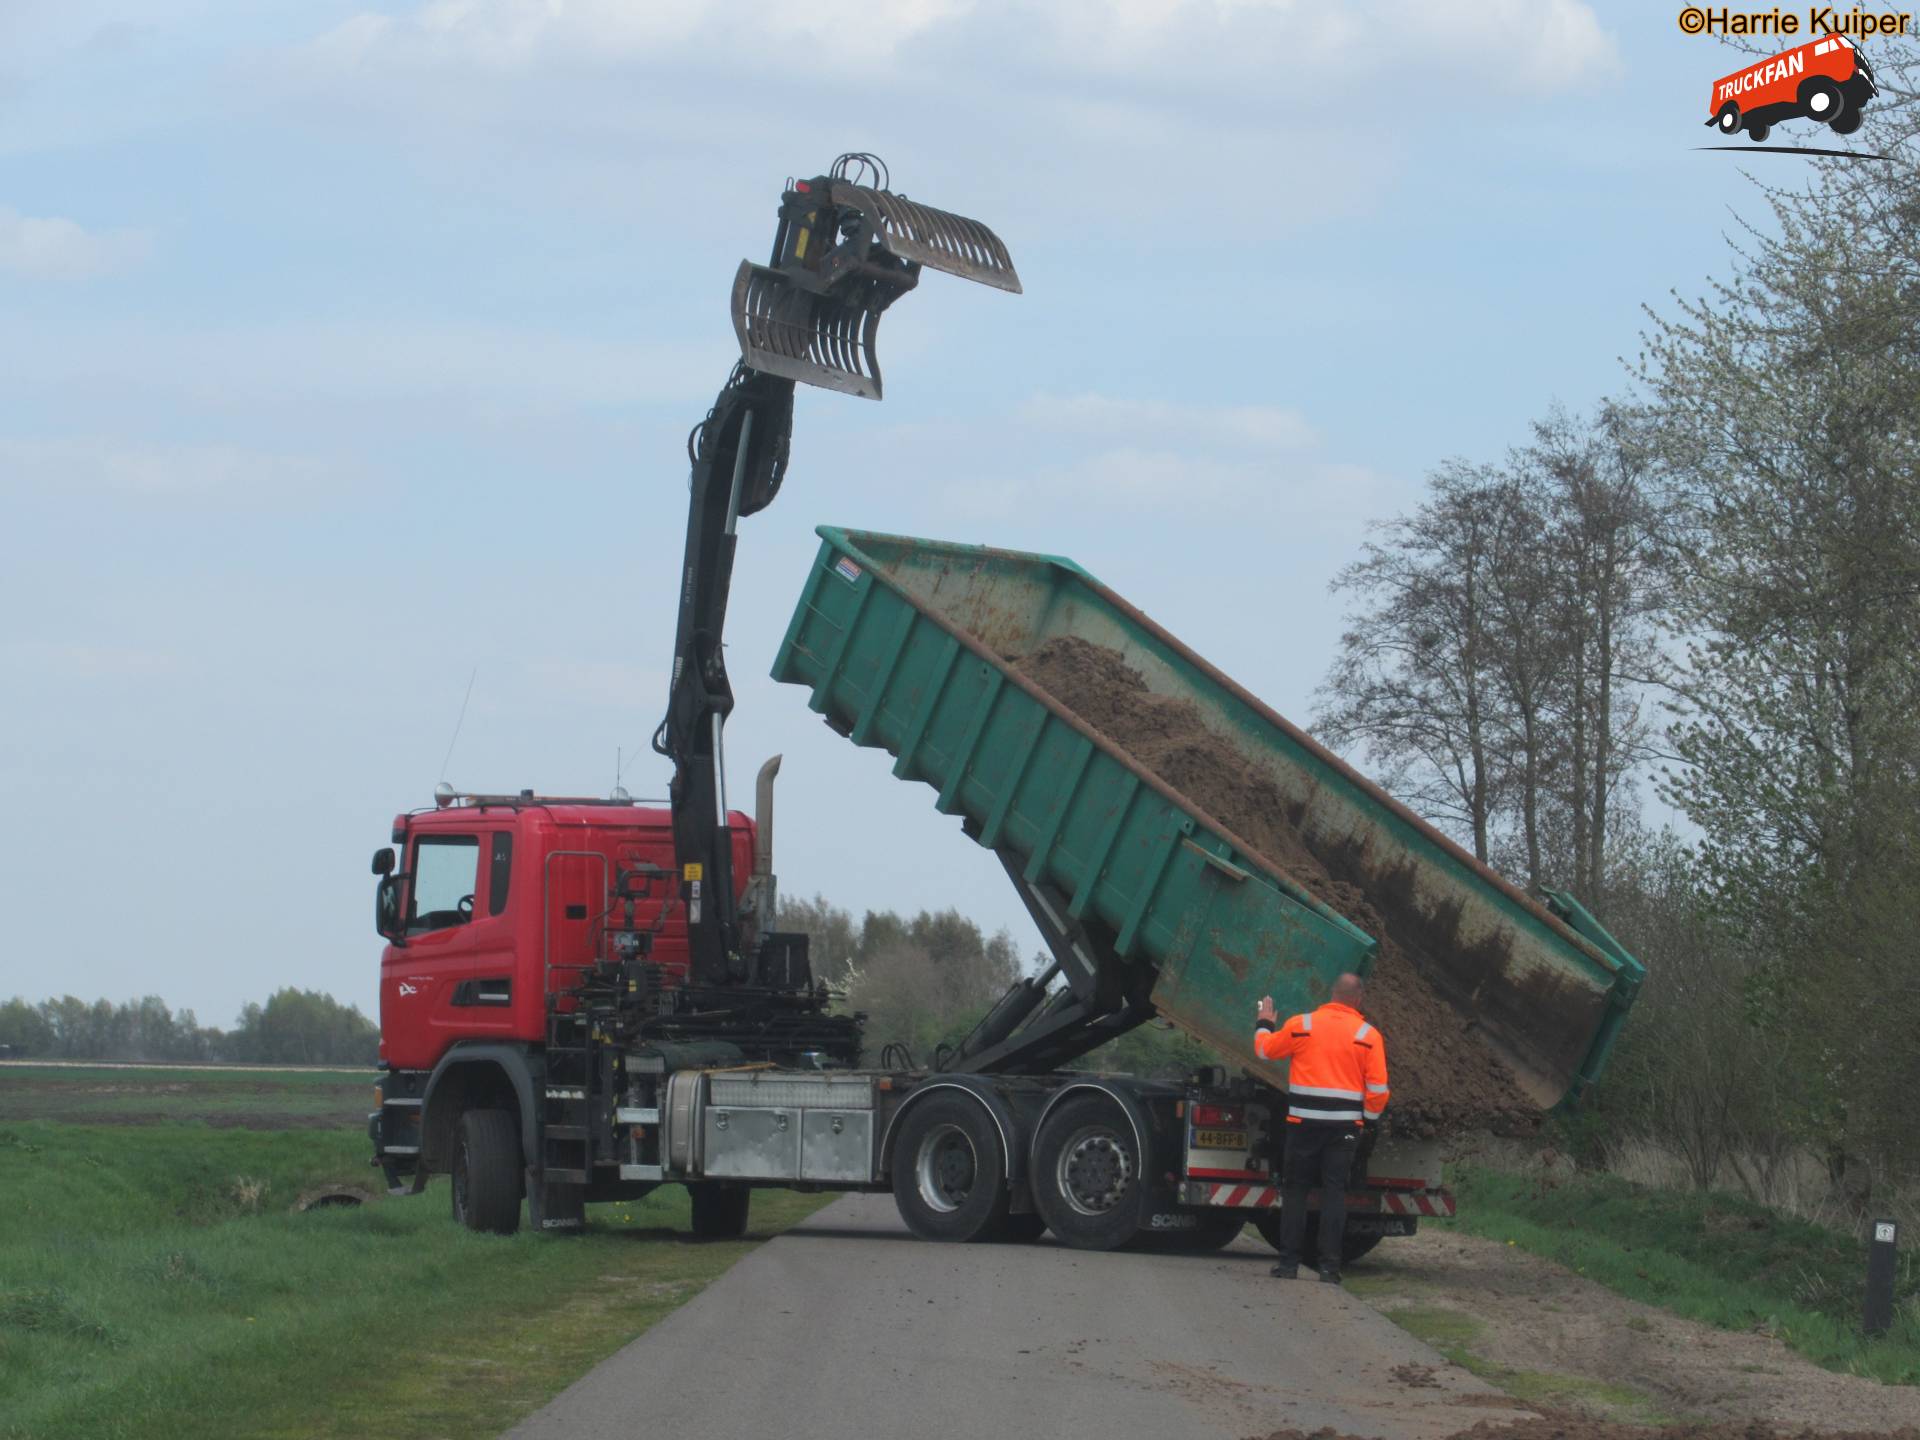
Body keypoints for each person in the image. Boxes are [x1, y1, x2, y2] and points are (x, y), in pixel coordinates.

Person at [1253, 973, 1389, 1283]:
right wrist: (1368, 1118)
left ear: (1331, 994)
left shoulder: (1303, 1025)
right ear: (1358, 999)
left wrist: (1264, 1023)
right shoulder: (1368, 1035)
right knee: (1334, 1192)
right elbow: (1378, 1089)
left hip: (1303, 1126)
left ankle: (1288, 1265)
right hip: (1343, 1129)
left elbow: (1265, 1050)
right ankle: (1329, 1268)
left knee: (1296, 1190)